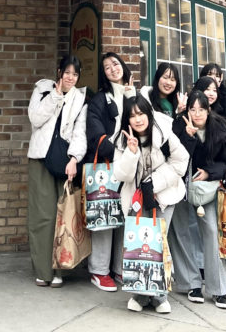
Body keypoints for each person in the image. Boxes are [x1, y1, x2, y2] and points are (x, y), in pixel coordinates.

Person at [113, 95, 189, 315]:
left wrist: (154, 183)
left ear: (148, 113)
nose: (138, 119)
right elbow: (121, 175)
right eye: (132, 115)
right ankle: (139, 294)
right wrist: (131, 152)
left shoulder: (164, 134)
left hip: (163, 196)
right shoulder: (122, 140)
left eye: (141, 113)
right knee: (139, 244)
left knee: (158, 243)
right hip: (136, 200)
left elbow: (181, 161)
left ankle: (159, 296)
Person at [27, 54, 87, 288]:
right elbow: (35, 119)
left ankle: (59, 268)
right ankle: (43, 270)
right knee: (42, 216)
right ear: (59, 72)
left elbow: (80, 133)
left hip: (64, 162)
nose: (70, 77)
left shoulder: (81, 98)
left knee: (63, 217)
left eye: (75, 74)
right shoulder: (43, 90)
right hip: (40, 159)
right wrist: (56, 95)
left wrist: (74, 159)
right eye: (67, 72)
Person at [170, 90, 226, 309]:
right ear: (187, 110)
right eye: (192, 109)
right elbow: (173, 156)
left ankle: (218, 289)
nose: (197, 114)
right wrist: (188, 137)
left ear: (208, 110)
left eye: (201, 109)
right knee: (181, 233)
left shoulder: (221, 128)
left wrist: (209, 173)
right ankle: (191, 284)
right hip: (180, 187)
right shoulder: (179, 126)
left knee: (212, 233)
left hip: (206, 190)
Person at [85, 51, 136, 291]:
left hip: (130, 163)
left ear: (123, 66)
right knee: (105, 216)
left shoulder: (133, 94)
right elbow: (95, 132)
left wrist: (132, 97)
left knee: (125, 215)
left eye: (115, 63)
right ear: (104, 74)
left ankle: (119, 267)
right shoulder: (98, 100)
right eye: (107, 67)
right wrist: (115, 153)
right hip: (108, 164)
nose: (113, 69)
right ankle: (99, 270)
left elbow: (141, 123)